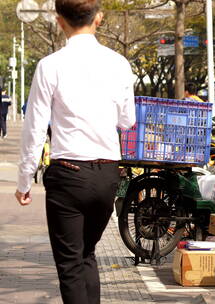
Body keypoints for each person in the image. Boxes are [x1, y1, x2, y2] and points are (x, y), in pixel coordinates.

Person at [15, 0, 136, 303]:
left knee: (70, 264)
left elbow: (34, 128)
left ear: (59, 22)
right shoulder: (119, 63)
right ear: (98, 18)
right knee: (87, 254)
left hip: (68, 173)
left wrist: (24, 181)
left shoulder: (50, 65)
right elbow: (128, 120)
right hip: (107, 174)